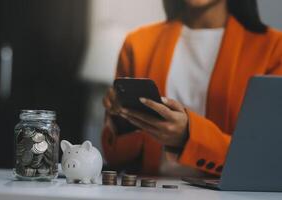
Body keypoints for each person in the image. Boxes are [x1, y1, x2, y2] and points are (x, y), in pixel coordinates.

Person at [101, 0, 282, 177]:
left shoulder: (274, 49)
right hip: (150, 190)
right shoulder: (138, 43)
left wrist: (189, 137)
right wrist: (120, 120)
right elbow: (116, 158)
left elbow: (269, 155)